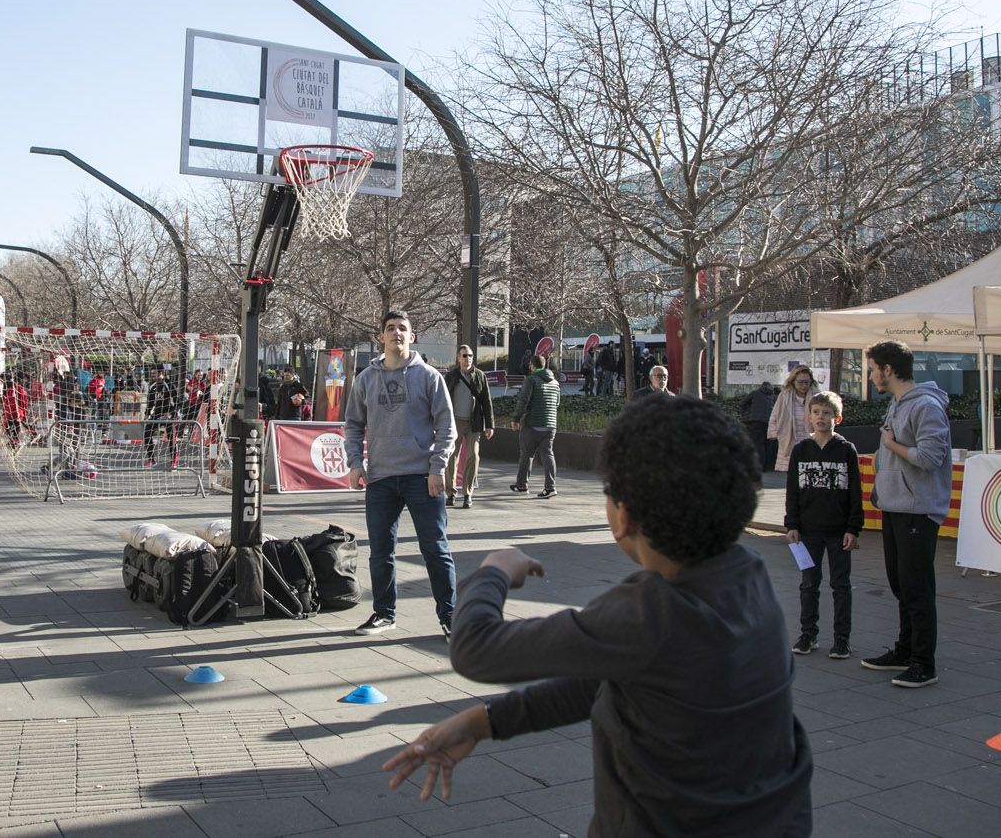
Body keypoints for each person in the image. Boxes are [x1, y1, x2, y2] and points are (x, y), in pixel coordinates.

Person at [383, 394, 812, 834]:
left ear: (622, 515)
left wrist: (494, 572)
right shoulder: (749, 577)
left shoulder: (651, 614)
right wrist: (483, 722)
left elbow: (475, 649)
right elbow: (611, 679)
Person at [345, 310, 457, 638]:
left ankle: (450, 616)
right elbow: (353, 424)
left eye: (402, 329)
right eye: (390, 328)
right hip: (380, 478)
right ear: (381, 337)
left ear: (412, 336)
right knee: (381, 551)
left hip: (422, 477)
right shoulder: (366, 378)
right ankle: (384, 614)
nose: (396, 333)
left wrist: (438, 468)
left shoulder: (429, 377)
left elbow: (446, 426)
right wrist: (355, 462)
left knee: (435, 549)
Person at [861, 340, 951, 689]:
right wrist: (881, 484)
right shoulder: (898, 404)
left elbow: (930, 458)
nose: (870, 377)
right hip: (895, 505)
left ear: (887, 370)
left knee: (916, 589)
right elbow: (892, 451)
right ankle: (905, 649)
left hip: (917, 509)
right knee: (901, 585)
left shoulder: (925, 406)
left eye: (872, 370)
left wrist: (891, 446)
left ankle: (923, 663)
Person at [785, 391, 863, 660]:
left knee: (840, 585)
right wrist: (791, 524)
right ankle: (808, 634)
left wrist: (853, 528)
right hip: (807, 533)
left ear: (837, 418)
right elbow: (792, 491)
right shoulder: (801, 450)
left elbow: (855, 492)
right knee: (809, 584)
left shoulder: (846, 450)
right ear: (809, 417)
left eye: (826, 413)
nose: (820, 417)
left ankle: (842, 639)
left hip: (839, 533)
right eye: (816, 412)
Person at [444, 345, 495, 510]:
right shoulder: (451, 376)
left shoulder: (480, 376)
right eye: (465, 356)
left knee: (473, 456)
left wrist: (490, 425)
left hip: (474, 422)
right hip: (455, 422)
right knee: (452, 457)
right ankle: (451, 493)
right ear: (458, 358)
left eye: (471, 356)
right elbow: (442, 400)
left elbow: (486, 401)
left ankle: (467, 494)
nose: (468, 359)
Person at [509, 354, 561, 498]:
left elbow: (523, 401)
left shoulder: (531, 380)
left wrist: (516, 418)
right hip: (550, 425)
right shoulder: (555, 382)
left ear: (532, 365)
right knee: (548, 455)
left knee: (526, 454)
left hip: (533, 424)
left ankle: (522, 485)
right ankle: (550, 487)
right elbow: (557, 403)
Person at [766, 366, 819, 472]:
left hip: (810, 440)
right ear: (793, 381)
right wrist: (775, 433)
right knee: (792, 476)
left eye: (806, 382)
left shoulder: (816, 396)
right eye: (800, 382)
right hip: (789, 440)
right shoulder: (784, 396)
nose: (804, 385)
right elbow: (775, 415)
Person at [144, 369, 181, 468]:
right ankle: (151, 460)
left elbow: (177, 401)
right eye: (151, 373)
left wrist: (171, 413)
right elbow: (150, 403)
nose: (152, 375)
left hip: (168, 415)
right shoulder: (152, 386)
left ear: (160, 373)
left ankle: (174, 462)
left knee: (171, 438)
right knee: (147, 433)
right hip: (156, 414)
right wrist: (146, 415)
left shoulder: (168, 384)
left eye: (154, 373)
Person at [742, 381, 777, 467]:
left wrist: (747, 413)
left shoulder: (754, 393)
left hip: (755, 422)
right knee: (767, 444)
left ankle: (759, 465)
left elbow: (743, 403)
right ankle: (767, 465)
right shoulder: (772, 396)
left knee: (758, 444)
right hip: (768, 422)